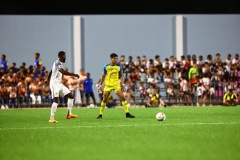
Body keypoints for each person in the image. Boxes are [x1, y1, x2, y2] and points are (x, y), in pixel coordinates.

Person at [96, 53, 135, 119]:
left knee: (123, 98)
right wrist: (100, 84)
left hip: (116, 85)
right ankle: (100, 114)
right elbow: (103, 76)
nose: (116, 60)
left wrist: (122, 84)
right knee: (104, 99)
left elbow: (121, 76)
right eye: (114, 58)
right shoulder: (106, 66)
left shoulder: (119, 66)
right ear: (111, 58)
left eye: (116, 58)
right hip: (108, 85)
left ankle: (127, 113)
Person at [46, 51, 79, 123]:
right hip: (54, 84)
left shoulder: (58, 63)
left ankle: (69, 114)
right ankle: (51, 118)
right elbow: (63, 72)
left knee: (71, 96)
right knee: (56, 100)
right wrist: (74, 75)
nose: (65, 57)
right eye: (64, 56)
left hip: (59, 84)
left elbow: (51, 70)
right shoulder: (57, 63)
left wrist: (47, 79)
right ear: (61, 56)